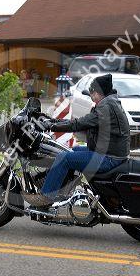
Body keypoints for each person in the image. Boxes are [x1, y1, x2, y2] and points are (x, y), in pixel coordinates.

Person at [23, 74, 131, 207]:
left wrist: (50, 125)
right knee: (68, 150)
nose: (91, 97)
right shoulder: (109, 102)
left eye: (92, 93)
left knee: (64, 158)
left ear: (98, 93)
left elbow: (79, 124)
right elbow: (82, 121)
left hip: (109, 157)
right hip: (108, 153)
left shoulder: (106, 107)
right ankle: (56, 184)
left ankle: (47, 196)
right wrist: (52, 120)